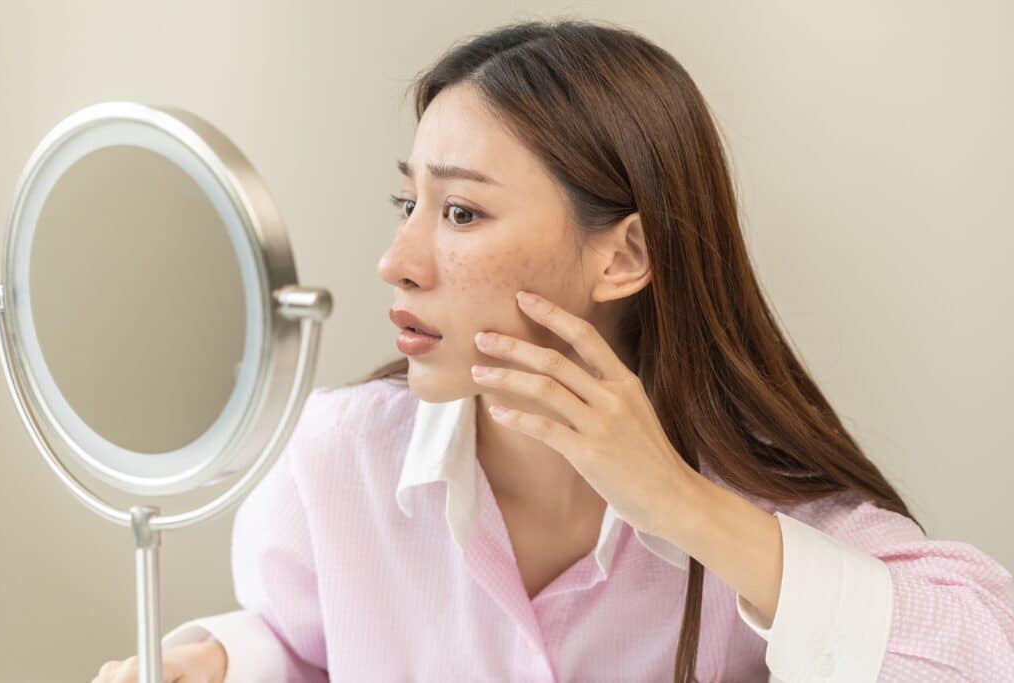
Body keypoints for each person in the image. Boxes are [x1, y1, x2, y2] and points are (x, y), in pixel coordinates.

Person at [92, 18, 1014, 683]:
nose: (398, 261)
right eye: (405, 204)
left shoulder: (755, 499)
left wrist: (680, 504)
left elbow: (981, 653)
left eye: (460, 212)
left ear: (623, 256)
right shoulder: (338, 457)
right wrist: (222, 658)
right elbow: (299, 644)